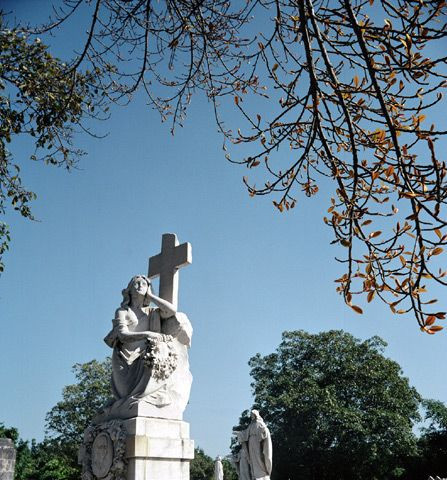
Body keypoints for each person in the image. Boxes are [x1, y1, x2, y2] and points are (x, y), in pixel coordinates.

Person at [101, 275, 193, 419]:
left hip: (145, 357)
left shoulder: (152, 312)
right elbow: (123, 335)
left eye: (144, 283)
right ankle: (139, 397)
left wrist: (151, 296)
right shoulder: (123, 311)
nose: (140, 286)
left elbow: (171, 311)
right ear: (129, 290)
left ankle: (149, 395)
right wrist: (147, 334)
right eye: (136, 283)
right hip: (125, 360)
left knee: (160, 350)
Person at [235, 410, 272, 480]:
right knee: (252, 459)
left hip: (257, 442)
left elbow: (264, 431)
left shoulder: (259, 423)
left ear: (255, 415)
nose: (251, 416)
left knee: (258, 457)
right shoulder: (251, 425)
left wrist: (264, 432)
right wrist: (239, 434)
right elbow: (245, 433)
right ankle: (255, 474)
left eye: (252, 415)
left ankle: (262, 473)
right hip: (251, 442)